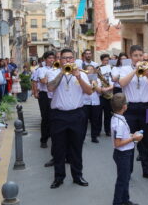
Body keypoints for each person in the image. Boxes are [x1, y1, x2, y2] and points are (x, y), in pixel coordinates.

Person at [47, 48, 93, 189]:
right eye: (65, 58)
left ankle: (77, 176)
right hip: (59, 116)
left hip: (77, 115)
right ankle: (59, 177)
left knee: (76, 148)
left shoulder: (81, 74)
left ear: (74, 59)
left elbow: (89, 91)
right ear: (59, 60)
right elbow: (50, 88)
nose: (68, 60)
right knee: (59, 148)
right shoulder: (52, 72)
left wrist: (78, 76)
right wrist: (62, 72)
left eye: (70, 58)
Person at [119, 45, 148, 180]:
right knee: (129, 140)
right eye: (135, 55)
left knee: (147, 140)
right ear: (131, 56)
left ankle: (147, 170)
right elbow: (122, 83)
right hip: (130, 109)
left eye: (140, 55)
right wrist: (135, 71)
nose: (138, 58)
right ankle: (128, 171)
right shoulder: (125, 69)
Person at [110, 93, 142, 205]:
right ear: (124, 106)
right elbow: (118, 143)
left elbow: (122, 136)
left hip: (123, 153)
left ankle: (125, 199)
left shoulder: (117, 118)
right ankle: (117, 202)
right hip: (122, 154)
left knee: (126, 178)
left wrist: (132, 135)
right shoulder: (119, 123)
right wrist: (133, 138)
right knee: (122, 180)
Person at [37, 51, 55, 149]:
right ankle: (43, 139)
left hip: (54, 95)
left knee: (54, 117)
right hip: (44, 95)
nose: (51, 60)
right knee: (45, 118)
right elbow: (43, 81)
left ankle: (53, 136)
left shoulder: (57, 69)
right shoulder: (41, 69)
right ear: (45, 59)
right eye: (49, 58)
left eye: (53, 58)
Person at [82, 65, 103, 143]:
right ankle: (82, 137)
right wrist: (88, 84)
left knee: (95, 121)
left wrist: (94, 83)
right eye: (88, 69)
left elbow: (100, 91)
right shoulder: (82, 79)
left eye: (91, 69)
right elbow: (82, 91)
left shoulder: (97, 79)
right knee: (83, 121)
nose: (89, 71)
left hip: (95, 102)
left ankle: (94, 137)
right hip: (85, 102)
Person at [98, 54, 114, 136]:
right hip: (101, 94)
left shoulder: (111, 68)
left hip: (110, 93)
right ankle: (98, 131)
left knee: (108, 114)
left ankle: (108, 130)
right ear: (102, 60)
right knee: (99, 114)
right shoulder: (98, 69)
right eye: (105, 60)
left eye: (108, 60)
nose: (106, 62)